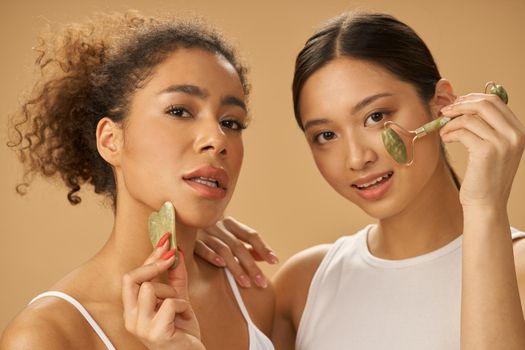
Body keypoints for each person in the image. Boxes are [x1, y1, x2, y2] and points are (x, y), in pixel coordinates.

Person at [199, 11, 525, 349]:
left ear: (441, 104)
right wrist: (190, 236)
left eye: (376, 116)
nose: (356, 158)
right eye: (326, 135)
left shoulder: (517, 268)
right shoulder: (305, 286)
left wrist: (486, 206)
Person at [0, 11, 275, 350]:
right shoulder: (49, 335)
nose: (217, 140)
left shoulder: (251, 293)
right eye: (179, 111)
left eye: (232, 122)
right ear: (110, 141)